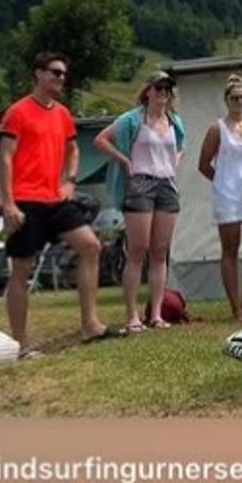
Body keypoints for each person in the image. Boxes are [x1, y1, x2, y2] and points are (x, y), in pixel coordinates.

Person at [0, 52, 124, 357]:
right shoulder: (17, 112)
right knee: (21, 270)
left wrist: (69, 181)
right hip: (26, 200)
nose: (60, 78)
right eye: (55, 72)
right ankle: (20, 344)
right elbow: (4, 157)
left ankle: (90, 325)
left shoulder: (63, 114)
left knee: (91, 246)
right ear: (38, 74)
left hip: (56, 199)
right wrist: (9, 204)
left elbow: (73, 149)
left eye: (64, 74)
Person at [93, 71, 186, 333]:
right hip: (140, 183)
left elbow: (181, 145)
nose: (163, 93)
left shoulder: (174, 121)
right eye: (158, 88)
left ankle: (156, 314)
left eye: (167, 89)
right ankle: (132, 315)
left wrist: (173, 163)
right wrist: (124, 160)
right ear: (147, 91)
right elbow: (100, 139)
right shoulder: (132, 119)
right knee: (138, 249)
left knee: (160, 250)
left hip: (166, 184)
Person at [197, 74, 242, 321]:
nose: (239, 101)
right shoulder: (217, 129)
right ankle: (235, 307)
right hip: (228, 196)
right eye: (235, 97)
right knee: (231, 249)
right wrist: (223, 183)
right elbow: (203, 164)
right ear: (226, 100)